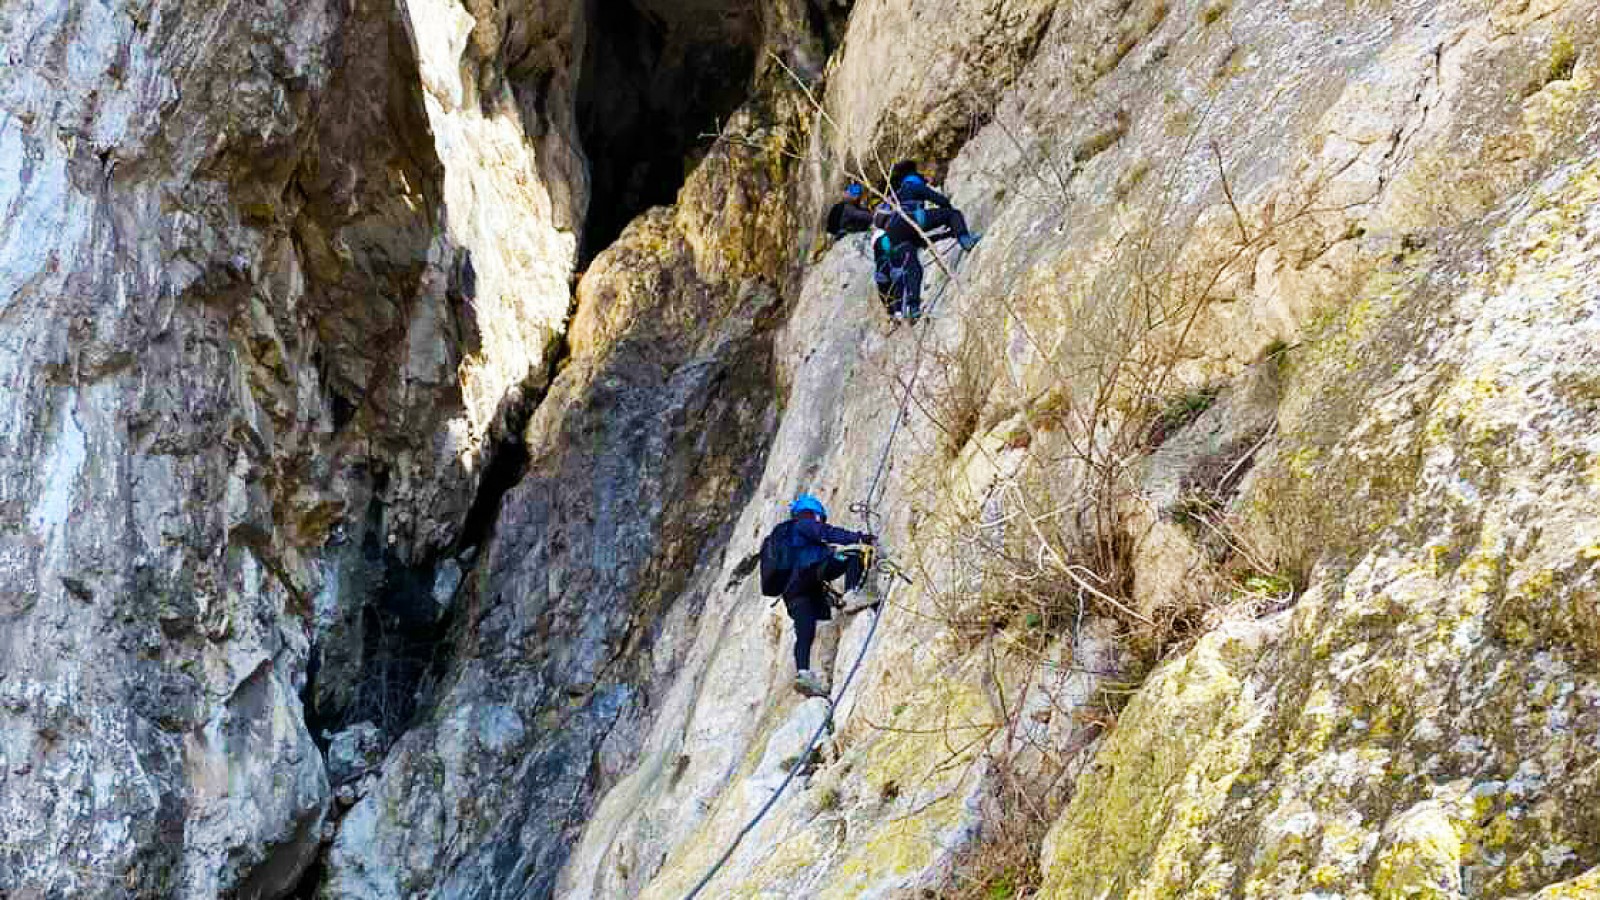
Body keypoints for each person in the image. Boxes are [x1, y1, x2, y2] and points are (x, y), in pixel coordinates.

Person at [769, 494, 875, 697]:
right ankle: (854, 593)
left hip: (792, 592)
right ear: (815, 514)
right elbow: (826, 533)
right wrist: (858, 538)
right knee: (855, 553)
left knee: (804, 631)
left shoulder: (785, 539)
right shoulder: (803, 523)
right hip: (810, 573)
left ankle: (803, 672)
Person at [873, 161, 981, 322]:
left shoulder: (896, 196)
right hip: (912, 219)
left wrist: (946, 234)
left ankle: (913, 308)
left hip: (895, 233)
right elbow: (940, 200)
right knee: (953, 214)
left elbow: (921, 240)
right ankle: (966, 241)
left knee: (913, 268)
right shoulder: (912, 185)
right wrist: (948, 215)